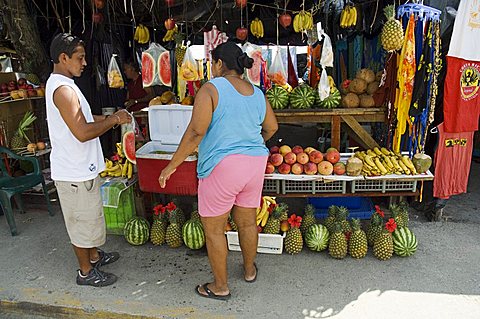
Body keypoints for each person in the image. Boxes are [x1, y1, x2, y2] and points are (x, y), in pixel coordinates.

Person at [158, 41, 278, 300]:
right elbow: (271, 128)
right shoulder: (257, 92)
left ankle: (220, 286)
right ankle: (248, 270)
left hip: (223, 166)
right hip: (255, 162)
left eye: (212, 63)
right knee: (247, 222)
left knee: (214, 230)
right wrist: (248, 143)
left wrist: (171, 165)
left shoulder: (210, 89)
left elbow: (196, 132)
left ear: (219, 64)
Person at [46, 33, 131, 287]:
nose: (84, 63)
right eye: (79, 58)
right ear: (63, 58)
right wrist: (114, 120)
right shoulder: (63, 90)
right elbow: (82, 132)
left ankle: (93, 256)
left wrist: (111, 116)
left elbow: (84, 118)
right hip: (73, 172)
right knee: (81, 223)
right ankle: (85, 272)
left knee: (90, 217)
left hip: (82, 168)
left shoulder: (67, 85)